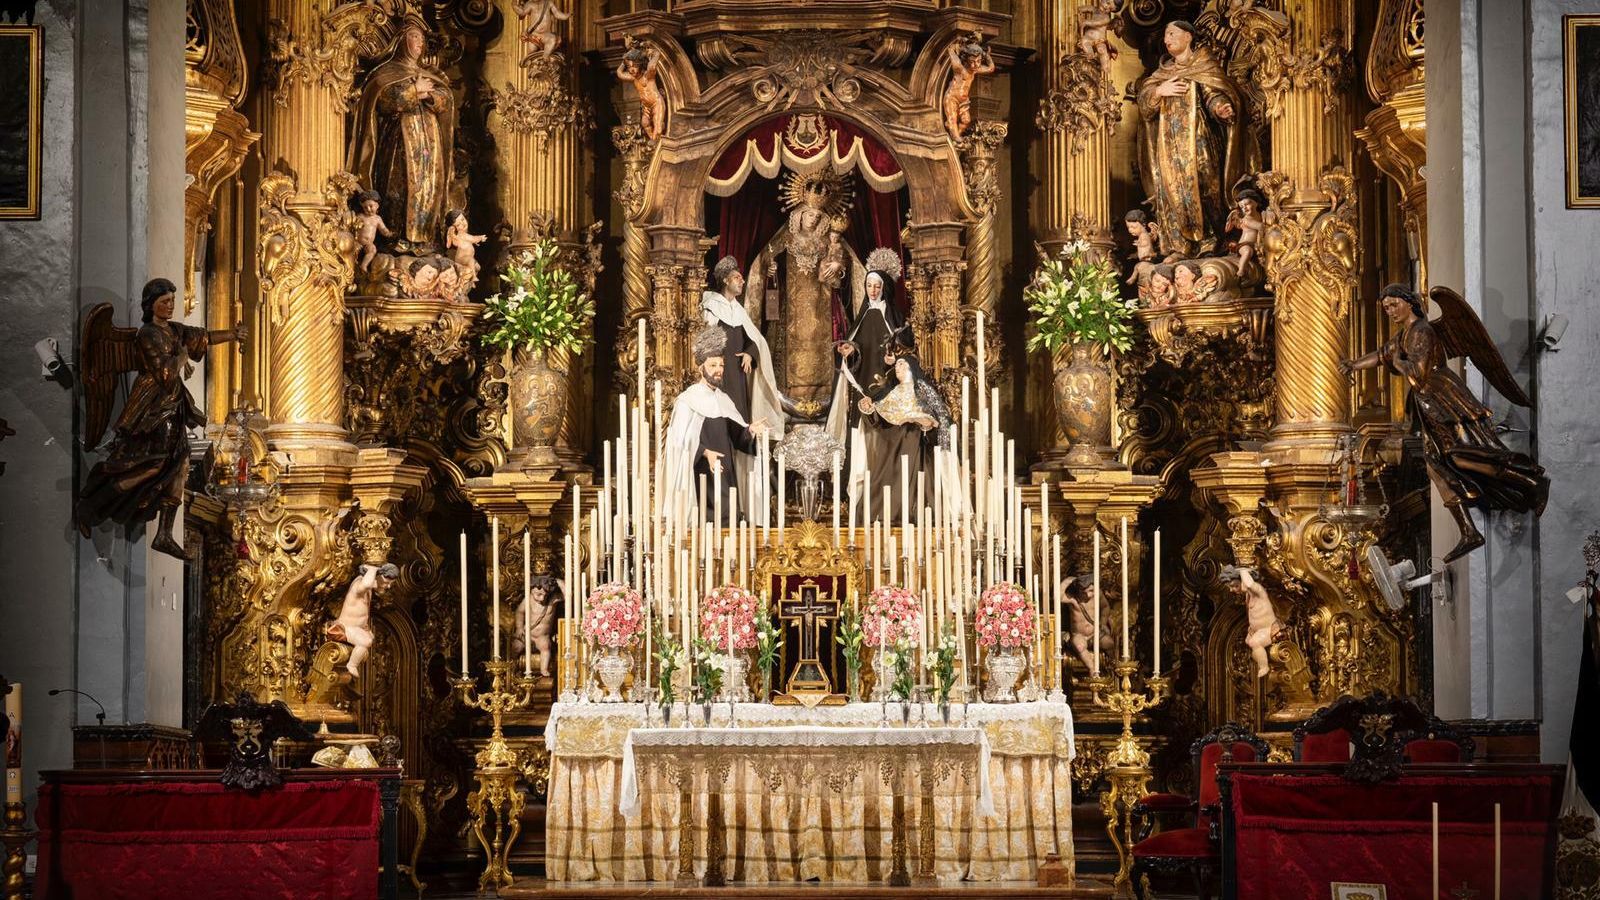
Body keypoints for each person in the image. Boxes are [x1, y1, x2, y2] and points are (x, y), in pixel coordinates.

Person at [1338, 284, 1549, 561]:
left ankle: (1529, 480)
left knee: (1457, 455)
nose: (1390, 311)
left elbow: (1417, 373)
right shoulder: (1403, 336)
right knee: (1437, 465)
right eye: (1386, 308)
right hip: (1427, 405)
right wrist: (1353, 365)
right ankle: (1469, 531)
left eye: (1393, 305)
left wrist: (1400, 363)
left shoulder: (1423, 331)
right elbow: (1381, 356)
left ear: (1409, 302)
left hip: (1443, 397)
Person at [76, 278, 248, 558]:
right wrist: (181, 358)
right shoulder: (147, 334)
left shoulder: (176, 330)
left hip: (174, 407)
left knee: (179, 465)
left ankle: (165, 533)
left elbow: (203, 337)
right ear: (151, 304)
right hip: (153, 408)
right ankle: (93, 504)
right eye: (164, 301)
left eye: (172, 301)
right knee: (154, 466)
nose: (170, 306)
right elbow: (166, 376)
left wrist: (233, 334)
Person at [1135, 21, 1257, 258]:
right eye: (1165, 35)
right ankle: (1179, 246)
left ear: (1188, 36)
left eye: (1172, 34)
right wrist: (1159, 91)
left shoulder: (1204, 65)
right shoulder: (1161, 74)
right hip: (1169, 145)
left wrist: (1221, 107)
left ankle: (1209, 240)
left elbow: (1213, 92)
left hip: (1199, 139)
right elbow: (1145, 105)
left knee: (1204, 184)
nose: (1167, 39)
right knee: (1171, 190)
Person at [347, 24, 455, 253]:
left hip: (430, 143)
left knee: (429, 186)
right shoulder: (387, 73)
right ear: (400, 41)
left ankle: (427, 241)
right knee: (401, 186)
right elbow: (383, 100)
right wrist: (414, 90)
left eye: (422, 38)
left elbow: (444, 99)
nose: (420, 42)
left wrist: (430, 94)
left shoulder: (429, 75)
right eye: (414, 36)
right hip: (399, 142)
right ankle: (396, 239)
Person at [826, 248, 910, 514]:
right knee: (861, 441)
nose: (872, 291)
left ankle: (885, 493)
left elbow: (907, 349)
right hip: (863, 394)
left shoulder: (894, 320)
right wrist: (850, 352)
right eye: (869, 286)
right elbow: (855, 348)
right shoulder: (863, 317)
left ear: (884, 288)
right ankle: (858, 496)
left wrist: (894, 357)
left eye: (877, 286)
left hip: (888, 390)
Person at [664, 327, 771, 522]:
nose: (719, 370)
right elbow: (680, 444)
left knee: (728, 520)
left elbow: (738, 437)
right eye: (713, 365)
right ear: (701, 369)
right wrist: (706, 453)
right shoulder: (688, 401)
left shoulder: (724, 400)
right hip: (700, 478)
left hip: (725, 478)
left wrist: (751, 431)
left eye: (721, 365)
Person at [855, 350, 951, 524]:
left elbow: (938, 419)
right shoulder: (891, 392)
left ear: (911, 368)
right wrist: (868, 408)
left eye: (901, 364)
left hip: (914, 446)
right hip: (889, 449)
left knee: (915, 492)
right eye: (896, 364)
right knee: (880, 490)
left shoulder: (921, 391)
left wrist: (922, 420)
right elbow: (878, 420)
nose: (897, 367)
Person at [701, 256, 784, 434]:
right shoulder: (711, 307)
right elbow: (705, 342)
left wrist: (749, 353)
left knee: (739, 416)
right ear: (725, 280)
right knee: (721, 418)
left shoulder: (738, 309)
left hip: (738, 376)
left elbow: (753, 339)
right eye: (737, 277)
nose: (742, 281)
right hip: (720, 375)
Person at [328, 564, 399, 678]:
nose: (389, 586)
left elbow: (362, 613)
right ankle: (351, 665)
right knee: (365, 641)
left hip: (355, 627)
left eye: (391, 583)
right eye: (386, 581)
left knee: (370, 638)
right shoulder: (358, 585)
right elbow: (366, 583)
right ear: (375, 575)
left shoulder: (368, 591)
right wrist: (373, 569)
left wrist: (366, 628)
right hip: (345, 627)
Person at [1221, 565, 1281, 678]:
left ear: (1243, 581)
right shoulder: (1249, 596)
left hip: (1270, 629)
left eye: (1235, 586)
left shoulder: (1258, 590)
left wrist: (1243, 568)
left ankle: (1264, 666)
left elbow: (1249, 584)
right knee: (1249, 641)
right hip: (1259, 630)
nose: (1232, 590)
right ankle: (1262, 658)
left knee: (1254, 642)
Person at [510, 575, 562, 678]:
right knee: (516, 647)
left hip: (542, 636)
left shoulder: (552, 600)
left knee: (545, 647)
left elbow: (569, 593)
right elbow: (519, 613)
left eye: (545, 595)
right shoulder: (528, 600)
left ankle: (544, 669)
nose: (542, 598)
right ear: (531, 589)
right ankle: (511, 667)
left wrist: (557, 580)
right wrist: (519, 628)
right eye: (538, 594)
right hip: (527, 633)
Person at [1061, 575, 1114, 672]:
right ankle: (1092, 669)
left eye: (1091, 590)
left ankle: (1112, 667)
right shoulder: (1073, 599)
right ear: (1078, 590)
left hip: (1095, 633)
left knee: (1109, 643)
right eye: (1084, 592)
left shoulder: (1098, 595)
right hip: (1079, 635)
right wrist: (1067, 581)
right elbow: (1058, 597)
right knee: (1080, 646)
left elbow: (1105, 607)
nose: (1089, 595)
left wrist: (1103, 622)